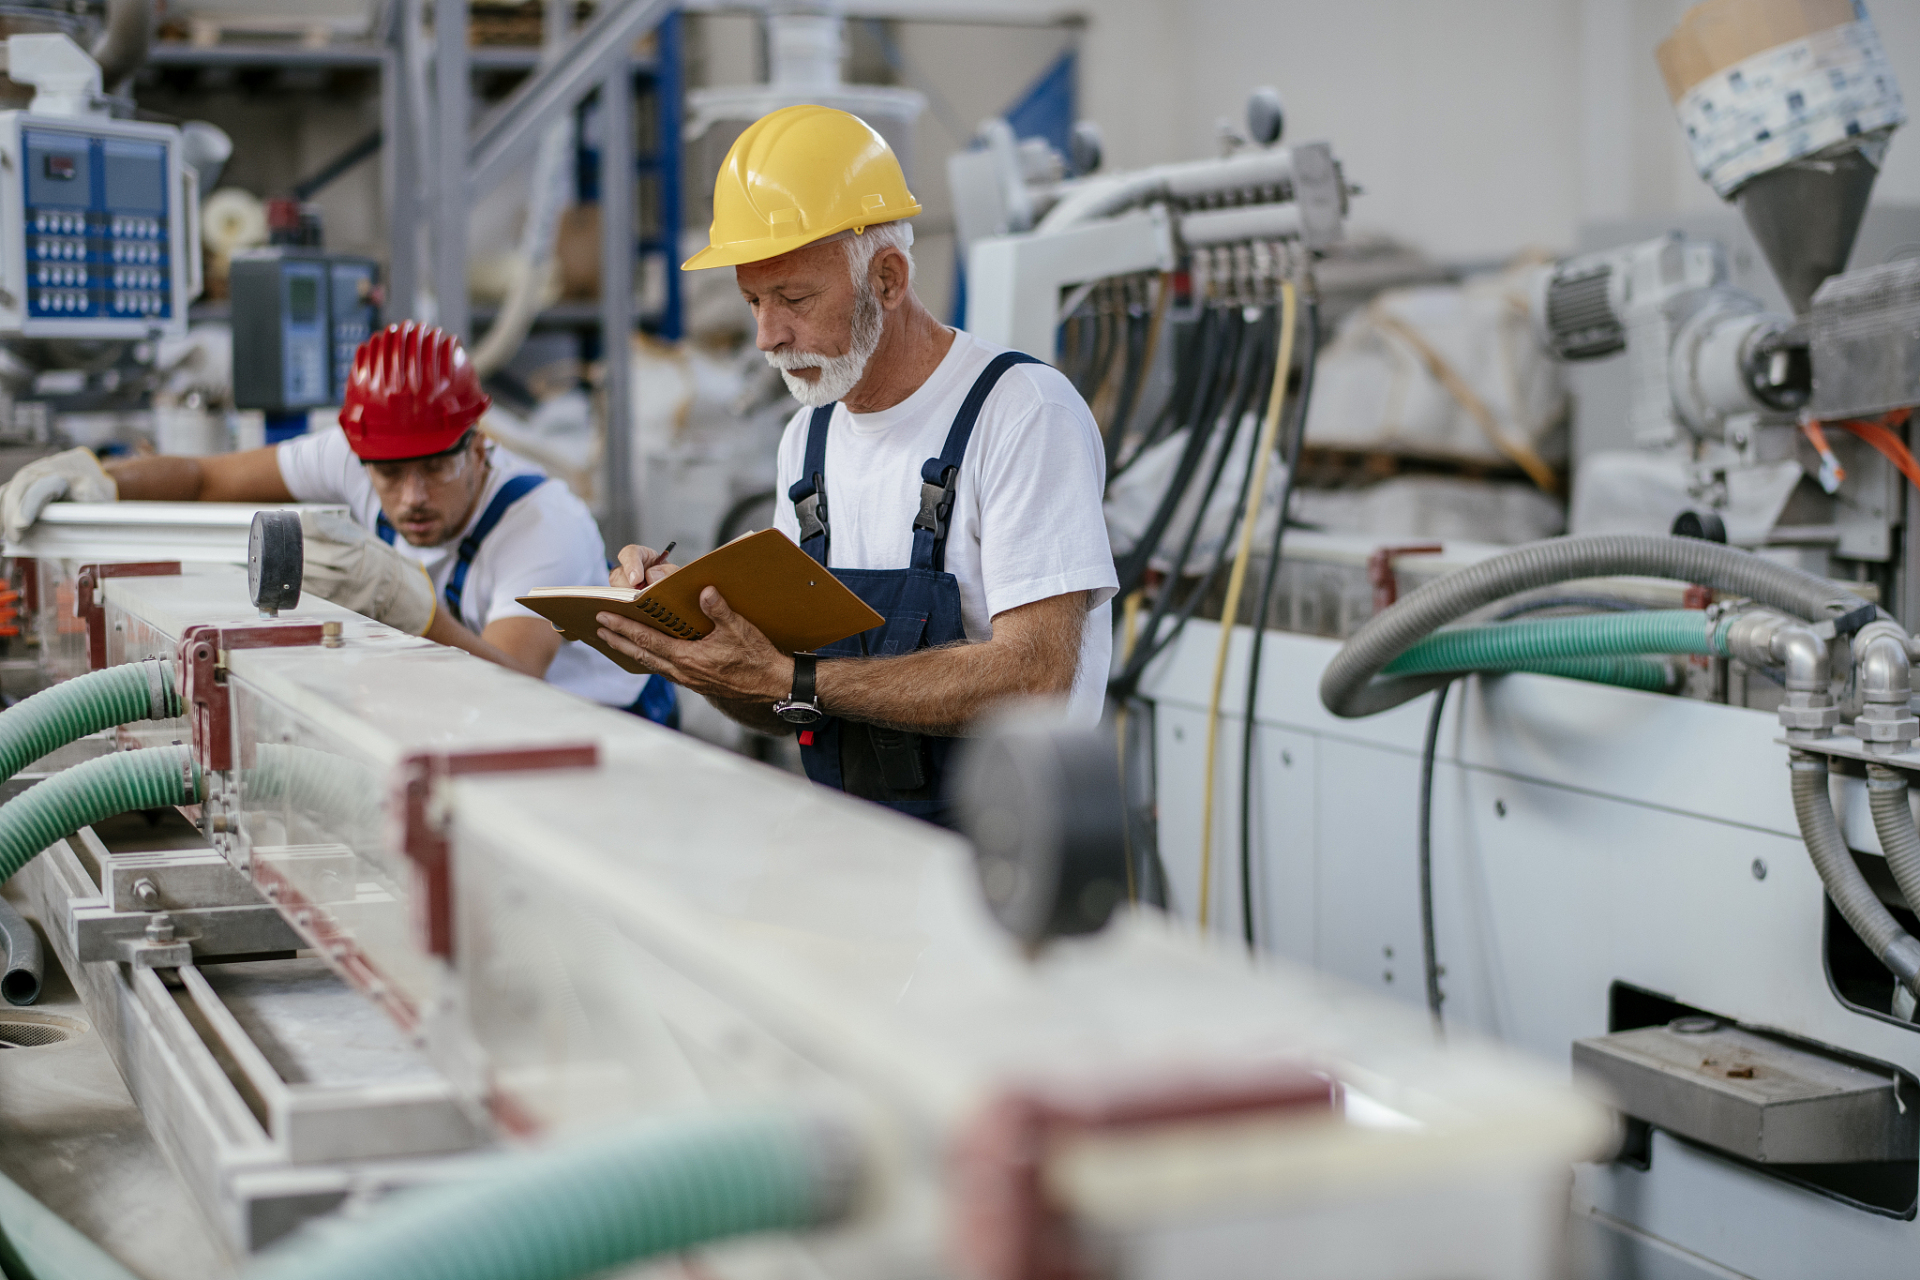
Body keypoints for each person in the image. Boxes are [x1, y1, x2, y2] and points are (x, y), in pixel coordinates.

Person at [595, 104, 1115, 822]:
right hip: (857, 845)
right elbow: (783, 708)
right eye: (752, 301)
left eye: (795, 299)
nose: (767, 337)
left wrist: (795, 676)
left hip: (1010, 853)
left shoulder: (1023, 413)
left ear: (889, 280)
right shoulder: (805, 441)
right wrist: (700, 645)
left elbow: (1037, 681)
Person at [0, 321, 676, 726]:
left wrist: (410, 610)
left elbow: (515, 691)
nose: (411, 495)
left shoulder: (541, 525)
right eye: (388, 473)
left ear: (477, 443)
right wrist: (95, 480)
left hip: (595, 735)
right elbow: (204, 478)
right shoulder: (358, 453)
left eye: (436, 468)